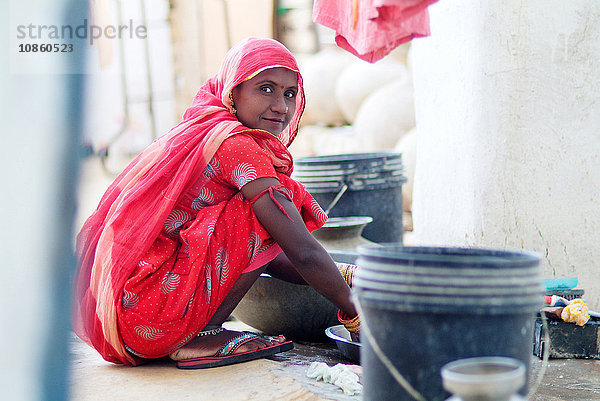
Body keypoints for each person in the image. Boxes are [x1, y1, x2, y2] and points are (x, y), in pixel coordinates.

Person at [73, 37, 360, 369]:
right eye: (266, 89)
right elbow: (302, 250)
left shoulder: (209, 130)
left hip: (132, 319)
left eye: (289, 93)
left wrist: (349, 274)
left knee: (266, 210)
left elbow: (265, 253)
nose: (281, 106)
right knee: (274, 202)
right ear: (233, 91)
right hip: (153, 314)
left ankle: (194, 332)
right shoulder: (237, 145)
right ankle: (203, 335)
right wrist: (355, 312)